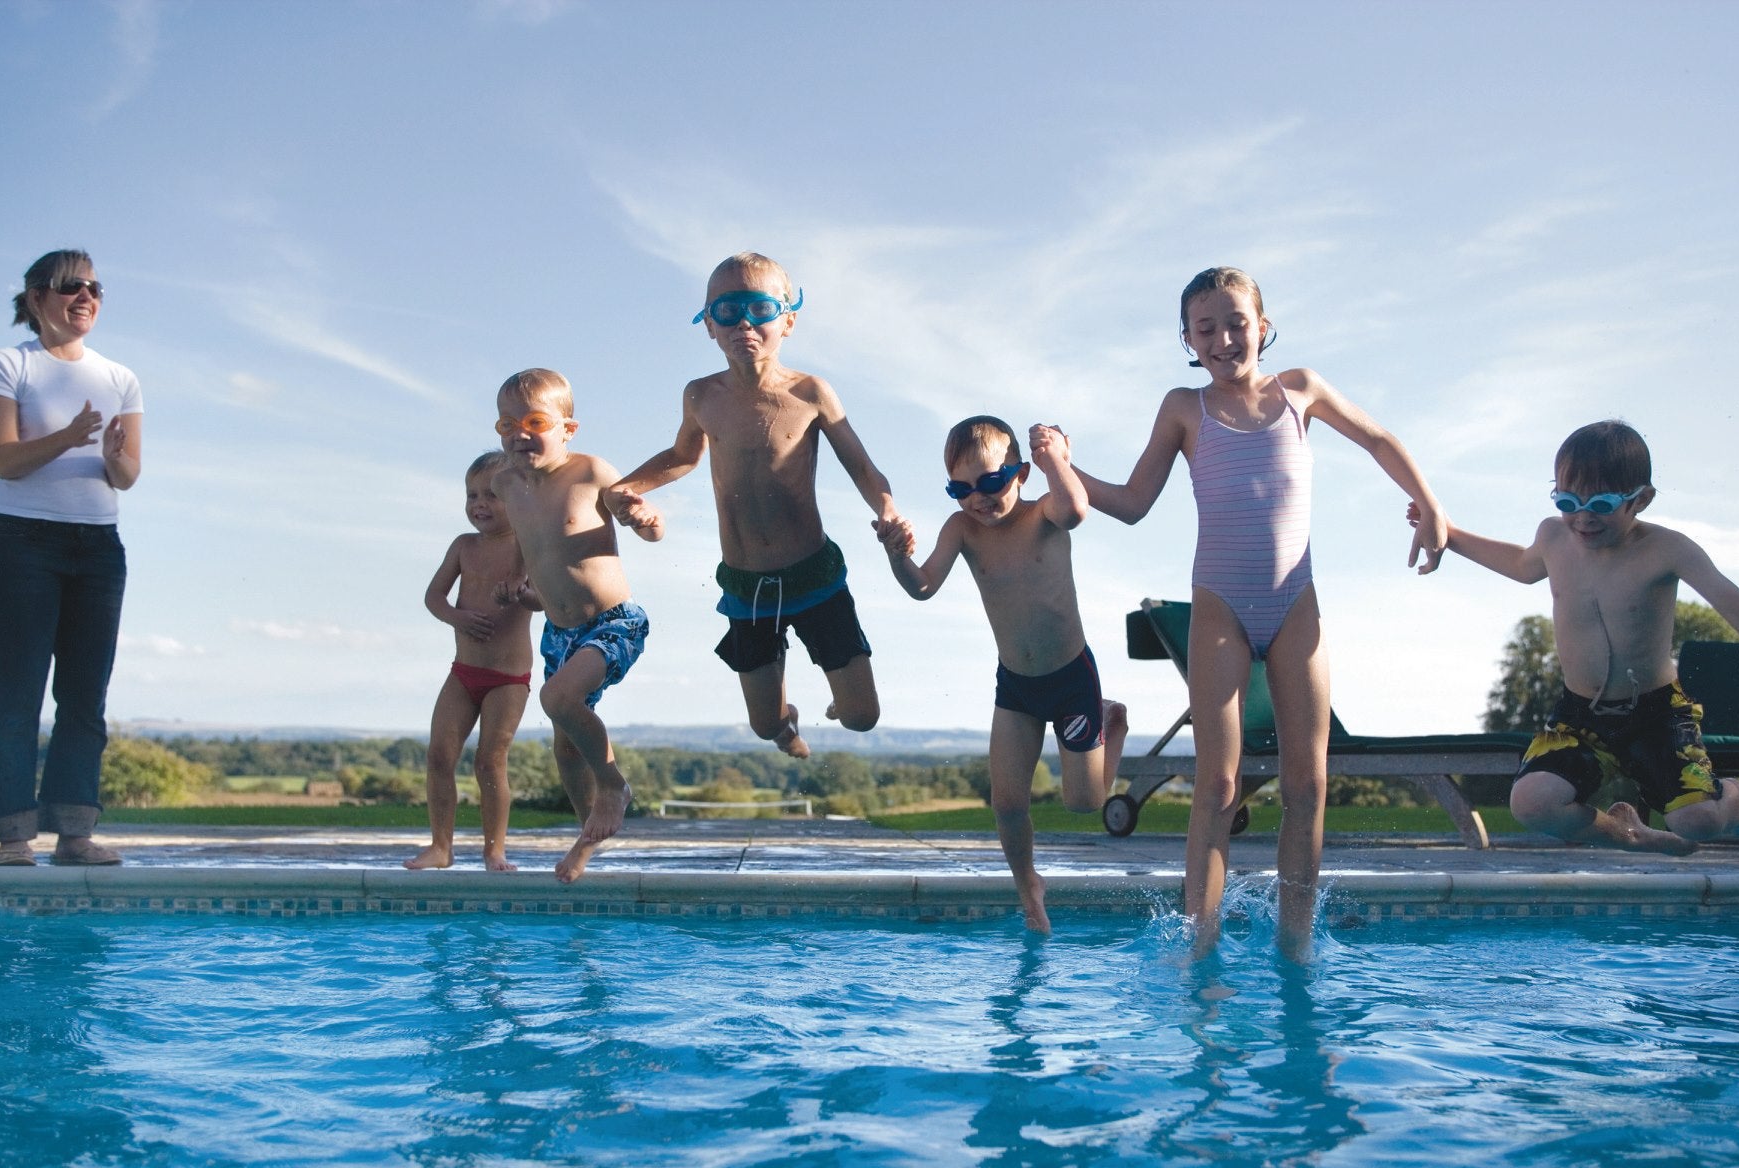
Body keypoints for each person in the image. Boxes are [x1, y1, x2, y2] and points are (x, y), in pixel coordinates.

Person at [1076, 266, 1448, 959]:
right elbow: (1131, 502)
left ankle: (1296, 944)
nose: (1223, 338)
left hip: (1294, 605)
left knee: (1309, 780)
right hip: (1220, 607)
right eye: (1205, 328)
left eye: (1236, 322)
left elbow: (1375, 437)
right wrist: (1064, 471)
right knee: (1219, 782)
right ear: (1187, 340)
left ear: (1263, 327)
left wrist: (1429, 503)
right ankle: (1200, 943)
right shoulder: (1184, 408)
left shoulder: (1299, 389)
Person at [1410, 420, 1739, 854]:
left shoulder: (1668, 550)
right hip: (1579, 714)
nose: (1583, 518)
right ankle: (1629, 834)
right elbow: (1520, 565)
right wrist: (1449, 534)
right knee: (1533, 804)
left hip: (1656, 715)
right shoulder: (1554, 537)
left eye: (1602, 504)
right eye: (1568, 501)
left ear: (1641, 499)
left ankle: (1736, 801)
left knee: (1697, 822)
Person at [604, 252, 904, 758]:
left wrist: (887, 508)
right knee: (764, 725)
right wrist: (626, 487)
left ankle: (838, 703)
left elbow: (862, 466)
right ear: (709, 328)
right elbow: (682, 457)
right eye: (726, 310)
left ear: (787, 320)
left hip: (814, 577)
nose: (744, 321)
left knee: (861, 718)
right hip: (749, 586)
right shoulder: (701, 396)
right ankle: (786, 722)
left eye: (760, 308)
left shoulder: (810, 392)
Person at [878, 417, 1128, 934]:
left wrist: (1055, 455)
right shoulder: (961, 529)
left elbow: (1078, 510)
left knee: (1085, 804)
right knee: (1007, 803)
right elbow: (922, 587)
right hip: (1016, 685)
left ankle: (1112, 725)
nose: (977, 498)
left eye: (991, 482)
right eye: (961, 488)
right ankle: (1028, 886)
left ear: (1019, 474)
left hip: (1071, 678)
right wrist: (897, 556)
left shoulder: (1045, 514)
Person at [0, 250, 142, 867]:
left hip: (97, 548)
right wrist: (69, 436)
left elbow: (125, 476)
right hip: (22, 544)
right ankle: (14, 837)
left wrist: (115, 454)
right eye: (71, 286)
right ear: (37, 298)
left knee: (84, 693)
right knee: (18, 692)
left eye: (94, 286)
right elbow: (6, 461)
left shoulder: (120, 377)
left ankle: (74, 833)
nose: (85, 296)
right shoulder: (6, 364)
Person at [489, 369, 661, 882]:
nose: (520, 434)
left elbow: (650, 530)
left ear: (568, 428)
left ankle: (613, 786)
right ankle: (586, 843)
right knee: (566, 744)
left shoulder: (591, 472)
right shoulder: (505, 483)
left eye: (535, 421)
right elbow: (530, 543)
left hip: (614, 623)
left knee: (558, 700)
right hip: (559, 633)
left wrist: (645, 519)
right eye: (506, 425)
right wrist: (522, 584)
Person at [405, 452, 539, 872]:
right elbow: (433, 597)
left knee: (489, 760)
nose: (479, 503)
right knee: (439, 755)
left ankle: (493, 850)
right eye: (472, 495)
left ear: (517, 498)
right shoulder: (464, 547)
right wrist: (457, 616)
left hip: (508, 678)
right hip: (463, 674)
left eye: (491, 496)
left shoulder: (527, 546)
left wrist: (520, 595)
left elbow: (546, 602)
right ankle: (440, 847)